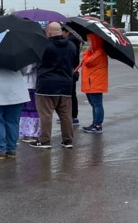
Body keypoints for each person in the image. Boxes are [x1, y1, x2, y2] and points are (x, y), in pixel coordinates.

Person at [29, 21, 77, 149]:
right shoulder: (72, 46)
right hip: (66, 84)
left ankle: (44, 140)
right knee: (66, 115)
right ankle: (68, 140)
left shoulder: (44, 45)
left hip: (47, 84)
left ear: (49, 31)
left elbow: (38, 64)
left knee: (46, 114)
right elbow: (74, 63)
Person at [80, 33, 108, 133]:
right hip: (91, 83)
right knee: (94, 104)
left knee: (97, 104)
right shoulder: (95, 51)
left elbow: (87, 62)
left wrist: (87, 51)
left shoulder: (99, 52)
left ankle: (97, 125)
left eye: (90, 41)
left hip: (95, 83)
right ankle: (95, 123)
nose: (88, 43)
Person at [63, 25, 82, 125]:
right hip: (72, 70)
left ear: (66, 32)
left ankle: (73, 116)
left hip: (71, 71)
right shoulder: (75, 40)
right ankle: (69, 115)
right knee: (69, 94)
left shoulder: (71, 41)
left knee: (70, 95)